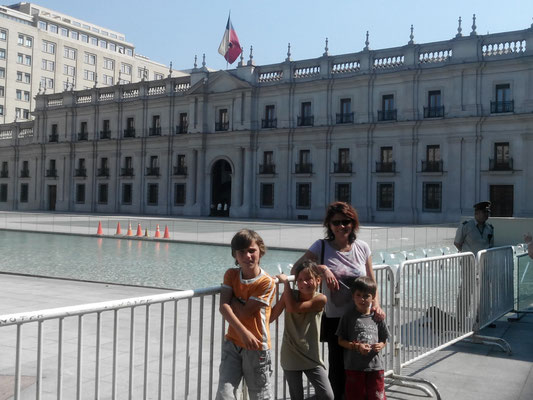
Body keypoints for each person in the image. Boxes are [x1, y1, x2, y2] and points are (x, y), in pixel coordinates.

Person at [291, 201, 385, 400]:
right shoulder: (321, 246)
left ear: (353, 223)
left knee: (362, 364)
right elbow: (296, 270)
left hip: (362, 317)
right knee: (338, 367)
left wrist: (376, 304)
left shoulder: (362, 247)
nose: (342, 226)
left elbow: (371, 280)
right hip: (336, 319)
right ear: (329, 225)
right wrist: (322, 269)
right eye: (336, 223)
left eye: (346, 222)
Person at [216, 229, 276, 400]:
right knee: (224, 394)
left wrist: (231, 299)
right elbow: (223, 307)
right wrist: (243, 332)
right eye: (241, 251)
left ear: (260, 251)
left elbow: (244, 312)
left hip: (256, 346)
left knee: (260, 395)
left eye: (252, 250)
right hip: (233, 343)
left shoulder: (266, 282)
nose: (247, 255)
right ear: (235, 255)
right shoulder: (231, 274)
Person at [271, 260, 334, 400]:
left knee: (327, 396)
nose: (304, 283)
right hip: (290, 354)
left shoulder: (321, 299)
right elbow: (272, 316)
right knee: (296, 396)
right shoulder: (289, 295)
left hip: (312, 355)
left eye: (308, 279)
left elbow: (293, 308)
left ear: (318, 280)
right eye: (300, 280)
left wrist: (286, 283)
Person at [336, 276, 389, 400]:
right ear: (353, 296)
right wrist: (356, 346)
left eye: (366, 296)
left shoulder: (377, 317)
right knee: (355, 396)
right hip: (354, 367)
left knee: (377, 396)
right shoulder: (348, 317)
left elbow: (384, 338)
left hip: (375, 366)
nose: (362, 299)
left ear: (373, 297)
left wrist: (381, 345)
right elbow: (340, 341)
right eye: (358, 295)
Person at [454, 201, 494, 326]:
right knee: (466, 289)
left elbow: (490, 245)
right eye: (485, 212)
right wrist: (468, 253)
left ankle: (482, 317)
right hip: (469, 262)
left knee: (484, 290)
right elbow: (457, 243)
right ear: (477, 213)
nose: (487, 214)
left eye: (488, 212)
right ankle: (460, 319)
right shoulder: (466, 225)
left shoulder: (489, 228)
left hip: (483, 263)